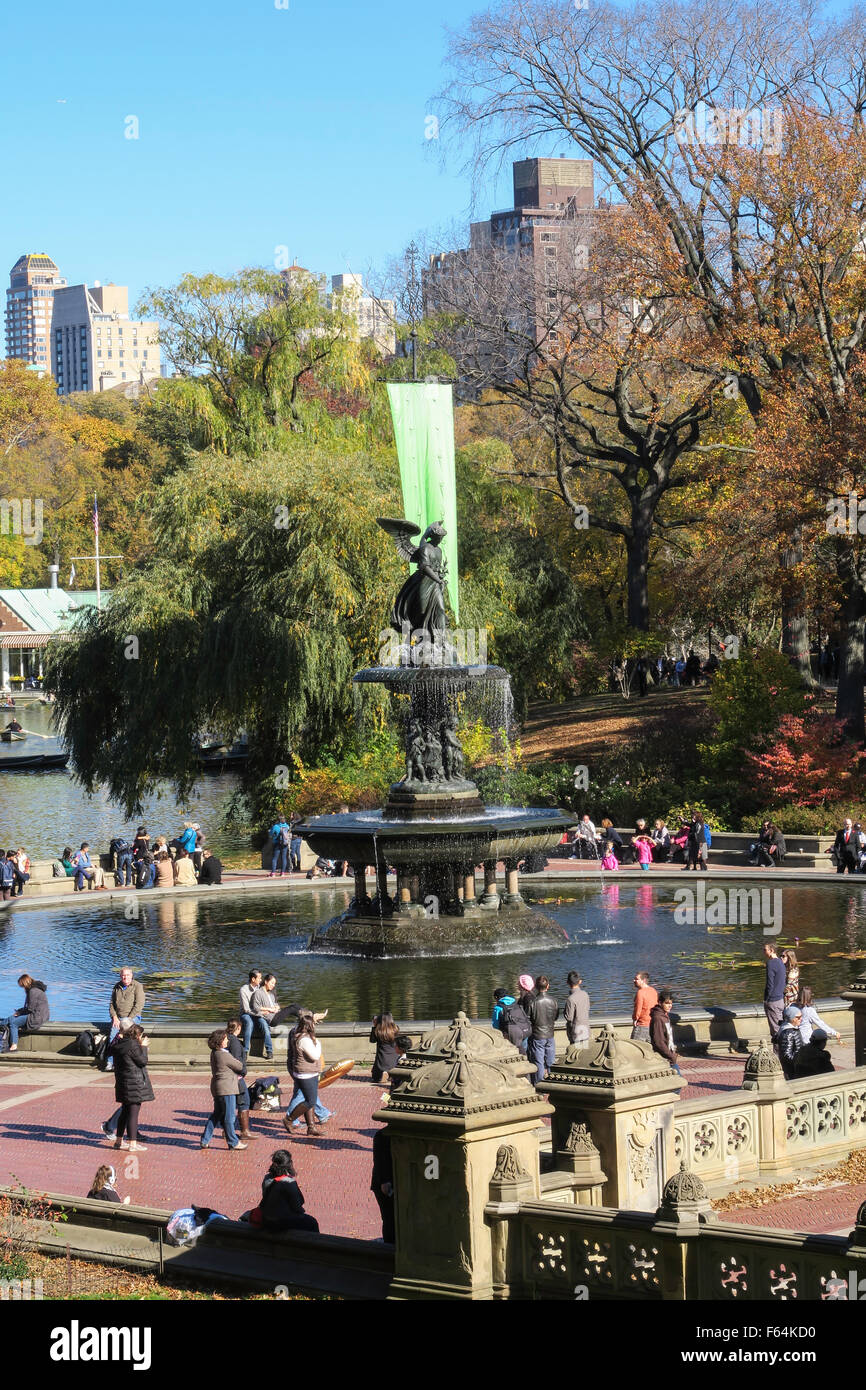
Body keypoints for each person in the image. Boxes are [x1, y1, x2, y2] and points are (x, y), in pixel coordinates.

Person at [200, 1029, 247, 1150]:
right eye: (225, 1038)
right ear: (220, 1041)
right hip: (227, 1088)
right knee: (229, 1116)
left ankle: (205, 1139)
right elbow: (239, 1066)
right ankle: (233, 1141)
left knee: (217, 1114)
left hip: (217, 1087)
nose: (227, 1040)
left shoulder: (214, 1053)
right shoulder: (224, 1054)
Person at [111, 1023, 153, 1152]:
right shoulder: (133, 1045)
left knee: (124, 1112)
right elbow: (142, 1061)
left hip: (123, 1083)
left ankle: (118, 1141)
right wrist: (144, 1047)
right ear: (137, 1035)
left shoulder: (118, 1044)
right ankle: (133, 1144)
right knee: (133, 1114)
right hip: (134, 1084)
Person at [258, 1150, 319, 1232]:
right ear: (289, 1164)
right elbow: (297, 1206)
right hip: (280, 1222)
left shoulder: (267, 1178)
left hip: (266, 1219)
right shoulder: (288, 1182)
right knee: (312, 1222)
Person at [287, 1014, 323, 1137]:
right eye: (313, 1024)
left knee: (309, 1100)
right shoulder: (305, 1040)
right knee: (310, 1101)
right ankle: (289, 1119)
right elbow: (315, 1056)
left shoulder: (299, 1036)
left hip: (305, 1073)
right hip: (306, 1074)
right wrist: (318, 1043)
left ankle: (311, 1127)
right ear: (309, 1026)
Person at [106, 967, 145, 1071]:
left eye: (128, 975)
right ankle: (110, 1062)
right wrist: (114, 1017)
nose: (125, 977)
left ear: (132, 975)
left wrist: (129, 1019)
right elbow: (111, 1004)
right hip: (118, 1018)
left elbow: (139, 1004)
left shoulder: (137, 986)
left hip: (132, 1017)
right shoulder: (116, 986)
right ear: (120, 976)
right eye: (123, 975)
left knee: (128, 1038)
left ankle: (128, 1062)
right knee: (113, 1037)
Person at [226, 1018, 257, 1143]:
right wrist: (243, 1071)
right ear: (238, 1028)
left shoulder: (226, 1039)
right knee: (244, 1102)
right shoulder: (234, 1042)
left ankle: (227, 1130)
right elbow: (237, 1061)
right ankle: (244, 1131)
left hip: (230, 1078)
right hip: (237, 1078)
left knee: (231, 1104)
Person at [0, 973, 49, 1050]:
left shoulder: (33, 991)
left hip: (36, 1017)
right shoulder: (36, 989)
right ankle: (2, 1023)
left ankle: (14, 1045)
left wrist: (20, 1013)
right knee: (11, 1018)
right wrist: (20, 1011)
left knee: (13, 1022)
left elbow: (30, 1009)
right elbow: (30, 1007)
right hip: (41, 1015)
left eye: (22, 986)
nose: (23, 988)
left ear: (25, 983)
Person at [527, 975, 558, 1086]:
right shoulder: (553, 1001)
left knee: (539, 1061)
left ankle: (540, 1085)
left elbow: (528, 1018)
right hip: (550, 1034)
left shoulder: (533, 1002)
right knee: (550, 1060)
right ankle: (552, 1081)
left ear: (535, 987)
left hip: (538, 1035)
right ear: (548, 986)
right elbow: (555, 1016)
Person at [370, 1126, 395, 1243]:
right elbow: (380, 1161)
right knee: (390, 1219)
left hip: (388, 1183)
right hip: (386, 1185)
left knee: (389, 1219)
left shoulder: (382, 1135)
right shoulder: (383, 1135)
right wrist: (385, 1181)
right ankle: (389, 1246)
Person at [649, 989, 681, 1074]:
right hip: (665, 1057)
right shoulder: (658, 1018)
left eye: (671, 1003)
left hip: (668, 1056)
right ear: (660, 1003)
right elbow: (658, 1041)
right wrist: (671, 1056)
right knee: (677, 1082)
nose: (670, 1006)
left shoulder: (664, 1016)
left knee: (676, 1083)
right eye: (667, 1003)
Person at [249, 973, 280, 1060]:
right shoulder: (258, 993)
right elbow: (256, 1007)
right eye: (272, 983)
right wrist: (268, 1010)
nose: (273, 985)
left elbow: (276, 1004)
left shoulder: (271, 994)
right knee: (265, 1028)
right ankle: (269, 1051)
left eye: (274, 984)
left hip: (271, 1017)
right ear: (266, 982)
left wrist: (277, 1007)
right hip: (261, 1016)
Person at [763, 943, 786, 1043]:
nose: (764, 952)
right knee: (780, 1027)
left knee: (776, 1032)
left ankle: (778, 1056)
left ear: (771, 950)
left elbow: (770, 984)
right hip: (780, 999)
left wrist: (766, 999)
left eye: (765, 950)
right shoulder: (781, 962)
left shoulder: (771, 963)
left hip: (773, 1001)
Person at [370, 1012, 401, 1084]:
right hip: (393, 1061)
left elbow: (372, 1041)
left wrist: (374, 1026)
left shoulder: (377, 1031)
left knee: (375, 1078)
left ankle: (384, 1073)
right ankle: (389, 1074)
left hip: (381, 1061)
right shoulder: (396, 1029)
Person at [239, 969, 264, 1055]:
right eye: (259, 978)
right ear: (253, 979)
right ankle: (245, 1050)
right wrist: (260, 1013)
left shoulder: (260, 989)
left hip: (257, 1013)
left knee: (263, 1022)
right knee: (249, 1023)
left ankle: (268, 1050)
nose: (261, 980)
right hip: (245, 1014)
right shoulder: (244, 990)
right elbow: (246, 1009)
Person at [563, 970, 590, 1046]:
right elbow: (587, 1009)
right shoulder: (585, 994)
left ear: (567, 982)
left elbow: (569, 1018)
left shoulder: (571, 999)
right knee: (584, 1053)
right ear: (580, 981)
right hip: (585, 1028)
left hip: (576, 1031)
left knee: (576, 1055)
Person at [777, 1005, 804, 1080]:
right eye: (798, 1017)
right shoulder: (788, 1032)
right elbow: (786, 1055)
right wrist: (800, 1061)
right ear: (791, 1018)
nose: (801, 1019)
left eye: (801, 1016)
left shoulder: (793, 1029)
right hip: (792, 1071)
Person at [631, 970, 657, 1042]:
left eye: (636, 979)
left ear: (644, 980)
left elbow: (638, 1008)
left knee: (635, 1047)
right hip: (652, 1024)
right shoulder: (653, 990)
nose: (634, 980)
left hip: (642, 1025)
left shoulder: (640, 992)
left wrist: (635, 1020)